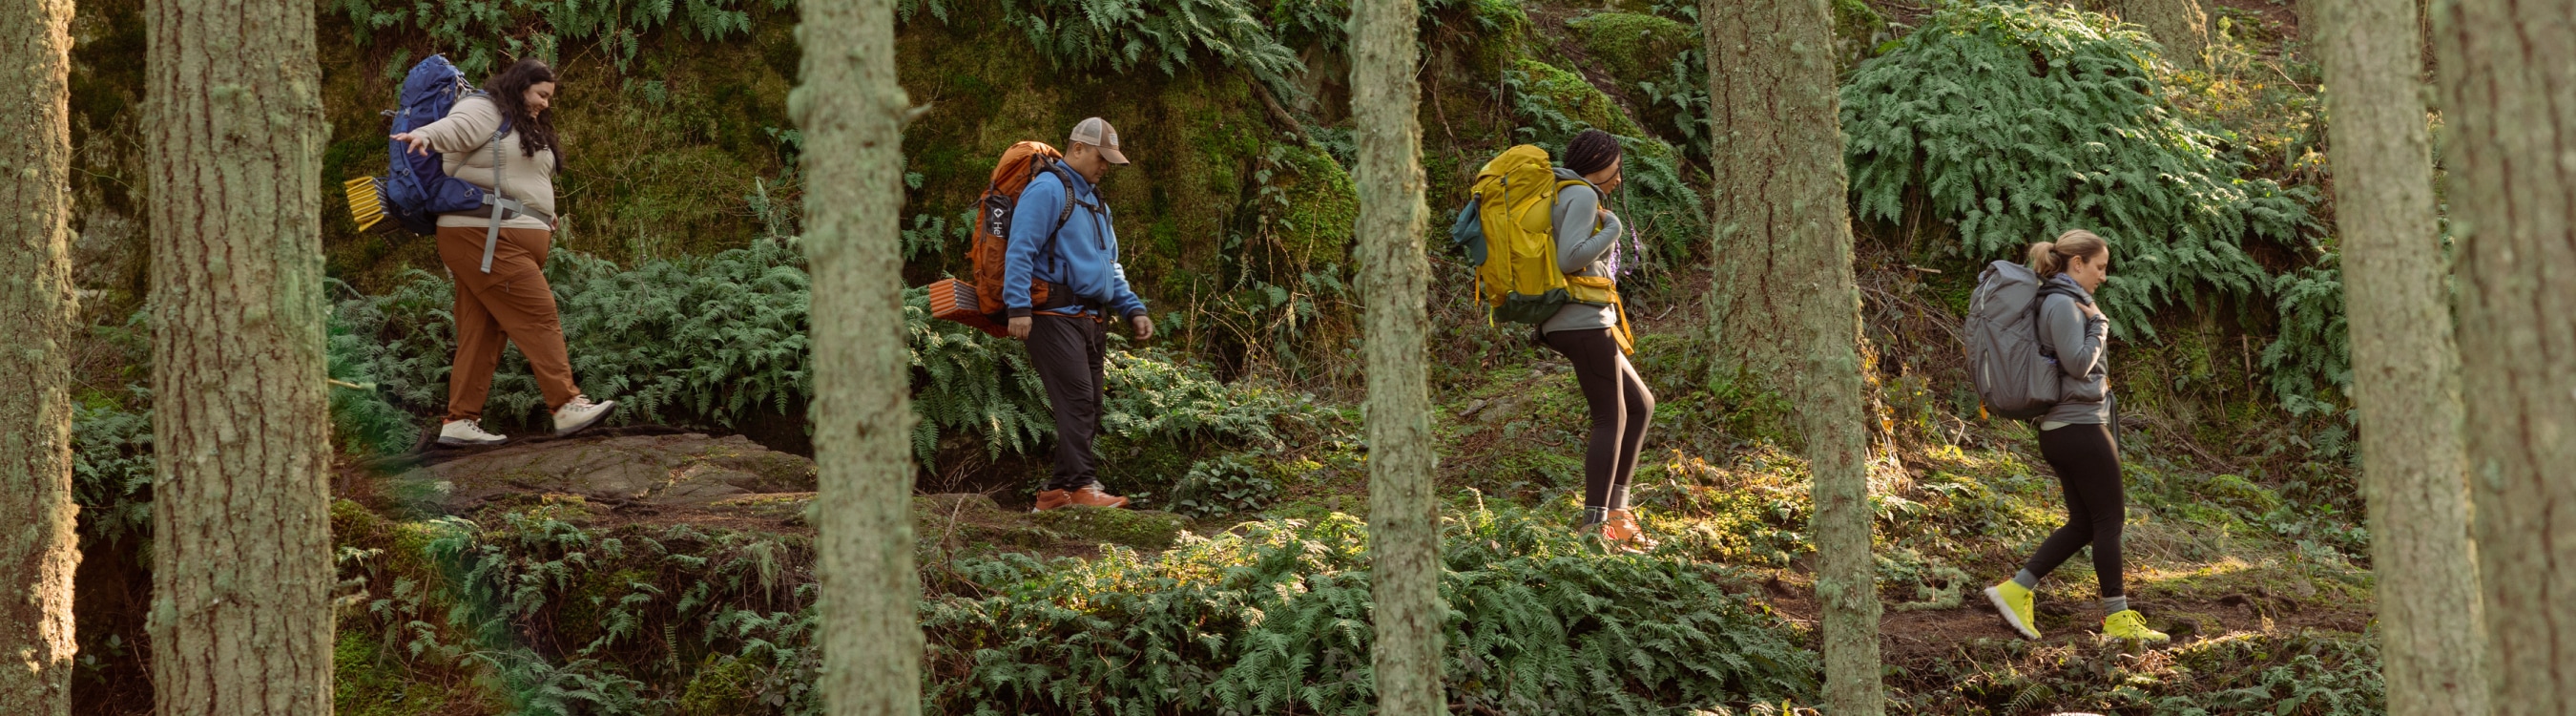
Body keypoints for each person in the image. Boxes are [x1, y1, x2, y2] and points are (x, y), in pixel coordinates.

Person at [390, 58, 616, 446]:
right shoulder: (485, 107)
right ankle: (566, 405)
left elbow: (521, 178)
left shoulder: (522, 123)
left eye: (549, 98)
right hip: (483, 237)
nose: (546, 103)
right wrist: (425, 135)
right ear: (520, 85)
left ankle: (459, 421)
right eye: (541, 94)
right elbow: (456, 129)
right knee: (538, 313)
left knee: (482, 332)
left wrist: (542, 214)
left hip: (501, 235)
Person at [1983, 230, 2168, 644]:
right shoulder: (2064, 305)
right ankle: (2118, 621)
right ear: (2077, 263)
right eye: (2099, 267)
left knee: (2086, 523)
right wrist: (2100, 323)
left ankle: (2016, 589)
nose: (2103, 277)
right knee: (2110, 522)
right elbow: (2079, 364)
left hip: (2067, 429)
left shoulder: (2060, 301)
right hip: (2079, 428)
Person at [1005, 117, 1153, 512]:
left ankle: (1056, 495)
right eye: (1101, 158)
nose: (1106, 166)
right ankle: (1083, 488)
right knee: (1078, 402)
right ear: (1078, 149)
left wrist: (1132, 307)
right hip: (1052, 315)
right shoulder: (1048, 189)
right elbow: (1019, 249)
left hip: (1090, 318)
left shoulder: (1095, 202)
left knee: (1091, 407)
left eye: (1110, 161)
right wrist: (1018, 307)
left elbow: (1110, 266)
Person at [1542, 129, 1653, 548]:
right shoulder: (1583, 195)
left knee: (1640, 405)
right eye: (1616, 168)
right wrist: (1615, 229)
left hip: (1577, 320)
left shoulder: (1561, 193)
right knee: (1612, 417)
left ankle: (1619, 514)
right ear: (1600, 163)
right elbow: (1569, 258)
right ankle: (1595, 527)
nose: (1618, 179)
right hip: (1581, 321)